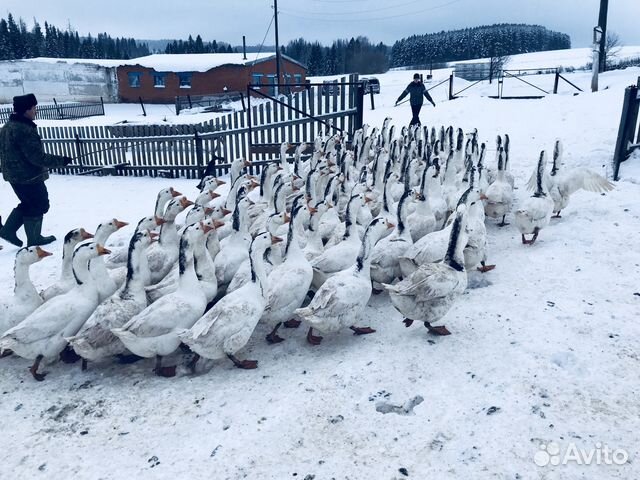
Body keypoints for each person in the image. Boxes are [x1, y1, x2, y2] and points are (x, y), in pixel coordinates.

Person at [0, 93, 72, 247]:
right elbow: (36, 157)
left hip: (13, 175)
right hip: (28, 177)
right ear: (26, 110)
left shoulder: (7, 127)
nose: (36, 111)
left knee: (29, 203)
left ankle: (8, 231)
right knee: (40, 204)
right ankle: (34, 238)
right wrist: (61, 160)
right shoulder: (24, 130)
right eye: (34, 108)